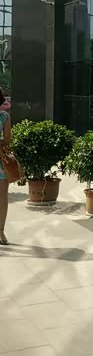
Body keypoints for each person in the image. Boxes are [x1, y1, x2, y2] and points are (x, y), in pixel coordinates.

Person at [0, 88, 10, 245]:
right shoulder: (4, 116)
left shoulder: (5, 116)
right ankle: (1, 231)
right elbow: (8, 140)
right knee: (2, 197)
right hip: (1, 160)